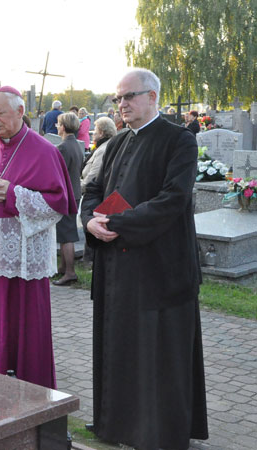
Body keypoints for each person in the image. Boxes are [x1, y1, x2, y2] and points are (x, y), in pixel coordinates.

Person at [81, 68, 208, 449]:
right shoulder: (116, 142)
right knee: (119, 347)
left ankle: (157, 433)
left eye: (129, 96)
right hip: (116, 268)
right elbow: (93, 189)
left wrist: (117, 223)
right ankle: (116, 425)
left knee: (156, 353)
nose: (122, 104)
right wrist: (90, 221)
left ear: (152, 97)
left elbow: (173, 198)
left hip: (160, 267)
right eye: (118, 98)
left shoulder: (179, 140)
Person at [0, 86, 76, 386]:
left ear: (20, 112)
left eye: (0, 113)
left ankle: (31, 391)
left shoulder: (44, 151)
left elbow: (58, 203)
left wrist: (13, 194)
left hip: (24, 263)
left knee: (25, 325)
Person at [52, 112, 83, 286]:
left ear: (63, 127)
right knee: (66, 232)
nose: (57, 127)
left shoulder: (63, 147)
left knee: (66, 235)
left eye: (58, 124)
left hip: (66, 194)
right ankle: (63, 267)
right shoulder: (76, 144)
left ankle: (70, 272)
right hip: (75, 192)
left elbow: (57, 174)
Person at [81, 117, 116, 193]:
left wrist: (78, 190)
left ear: (101, 133)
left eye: (95, 130)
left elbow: (93, 176)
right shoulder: (103, 146)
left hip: (92, 192)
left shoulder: (102, 150)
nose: (93, 133)